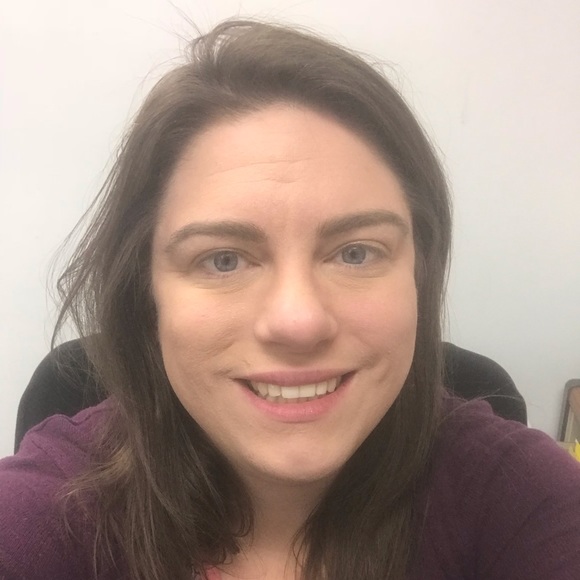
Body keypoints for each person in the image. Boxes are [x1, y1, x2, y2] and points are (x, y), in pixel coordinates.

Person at [1, 19, 579, 580]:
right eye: (224, 259)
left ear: (418, 275)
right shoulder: (49, 511)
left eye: (355, 253)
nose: (298, 321)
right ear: (145, 294)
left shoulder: (526, 499)